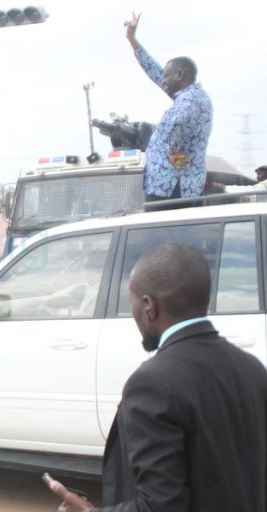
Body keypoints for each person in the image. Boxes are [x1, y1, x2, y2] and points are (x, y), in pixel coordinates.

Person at [47, 244, 267, 511]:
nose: (134, 314)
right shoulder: (253, 369)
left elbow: (161, 506)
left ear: (150, 306)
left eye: (133, 304)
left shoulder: (152, 383)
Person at [125, 13, 213, 208]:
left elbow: (175, 139)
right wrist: (132, 39)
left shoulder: (186, 103)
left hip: (170, 189)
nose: (163, 80)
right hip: (180, 186)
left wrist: (170, 157)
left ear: (181, 74)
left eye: (167, 76)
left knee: (163, 237)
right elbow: (155, 72)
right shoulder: (194, 95)